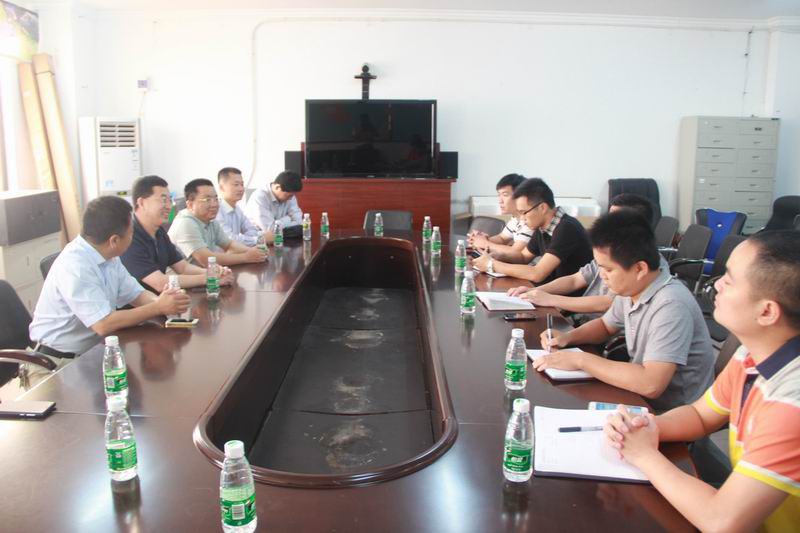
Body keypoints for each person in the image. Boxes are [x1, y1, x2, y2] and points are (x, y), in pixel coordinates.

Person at [604, 230, 800, 532]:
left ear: (766, 312)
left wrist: (643, 454)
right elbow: (700, 415)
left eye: (729, 280)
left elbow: (721, 521)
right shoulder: (753, 354)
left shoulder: (791, 403)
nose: (716, 284)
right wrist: (645, 427)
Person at [534, 210, 715, 412]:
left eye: (608, 269)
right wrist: (567, 337)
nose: (602, 276)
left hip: (671, 413)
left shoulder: (671, 305)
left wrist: (580, 360)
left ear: (640, 269)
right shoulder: (632, 289)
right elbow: (605, 326)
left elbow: (651, 384)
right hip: (638, 396)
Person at [29, 196, 190, 359]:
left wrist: (165, 301)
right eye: (131, 233)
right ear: (114, 240)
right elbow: (103, 323)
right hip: (59, 361)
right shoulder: (76, 266)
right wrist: (158, 307)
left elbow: (136, 294)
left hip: (97, 349)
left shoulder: (109, 256)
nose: (132, 237)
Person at [507, 193, 657, 324]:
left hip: (599, 330)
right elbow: (575, 280)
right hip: (582, 320)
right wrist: (533, 292)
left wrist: (551, 299)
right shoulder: (609, 251)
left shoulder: (641, 264)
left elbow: (607, 303)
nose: (608, 223)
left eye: (615, 219)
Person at [121, 175, 233, 292]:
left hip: (160, 299)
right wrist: (210, 278)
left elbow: (183, 267)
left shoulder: (159, 232)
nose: (169, 206)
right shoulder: (129, 236)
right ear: (142, 203)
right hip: (144, 302)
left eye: (170, 200)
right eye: (163, 200)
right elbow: (159, 283)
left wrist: (215, 272)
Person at [472, 177, 592, 285]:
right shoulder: (541, 226)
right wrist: (499, 256)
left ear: (542, 208)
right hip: (547, 291)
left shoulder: (566, 228)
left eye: (524, 212)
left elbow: (537, 273)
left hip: (566, 298)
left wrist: (491, 264)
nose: (522, 219)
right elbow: (523, 257)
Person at [168, 179, 268, 267]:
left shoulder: (210, 220)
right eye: (207, 200)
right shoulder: (185, 223)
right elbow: (205, 259)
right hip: (181, 280)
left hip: (206, 275)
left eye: (216, 199)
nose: (214, 204)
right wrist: (246, 257)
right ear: (190, 204)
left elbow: (229, 244)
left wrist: (254, 252)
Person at [467, 173, 532, 257]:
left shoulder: (530, 221)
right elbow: (502, 238)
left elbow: (515, 251)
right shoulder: (515, 218)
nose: (500, 201)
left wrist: (485, 243)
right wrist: (481, 239)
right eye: (499, 195)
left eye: (505, 195)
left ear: (520, 197)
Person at [215, 167, 262, 246]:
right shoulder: (215, 210)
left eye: (242, 184)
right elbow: (229, 240)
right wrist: (258, 240)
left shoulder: (237, 209)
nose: (241, 189)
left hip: (236, 252)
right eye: (236, 184)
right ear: (221, 187)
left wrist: (245, 239)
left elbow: (252, 229)